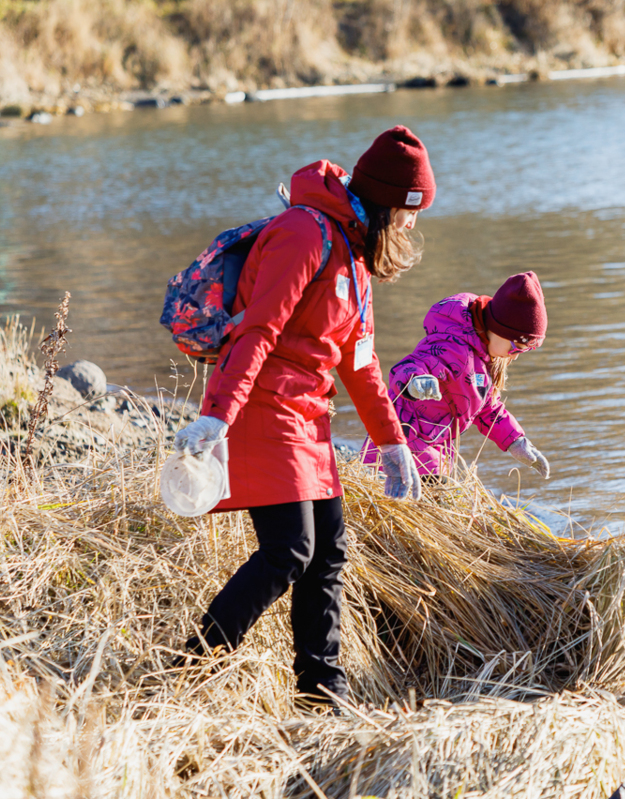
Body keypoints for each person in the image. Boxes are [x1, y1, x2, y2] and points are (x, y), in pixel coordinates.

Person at [171, 125, 435, 707]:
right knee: (290, 549)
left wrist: (393, 444)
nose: (412, 226)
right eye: (411, 213)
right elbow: (259, 328)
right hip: (262, 407)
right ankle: (188, 669)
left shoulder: (356, 256)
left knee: (329, 550)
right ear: (391, 203)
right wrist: (218, 416)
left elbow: (361, 364)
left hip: (309, 418)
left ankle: (322, 691)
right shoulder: (304, 234)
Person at [360, 271, 551, 480]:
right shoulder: (452, 347)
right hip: (403, 445)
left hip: (433, 450)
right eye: (516, 347)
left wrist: (517, 442)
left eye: (525, 350)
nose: (516, 356)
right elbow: (406, 368)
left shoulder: (483, 360)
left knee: (437, 497)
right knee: (428, 502)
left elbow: (488, 410)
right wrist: (415, 383)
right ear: (499, 329)